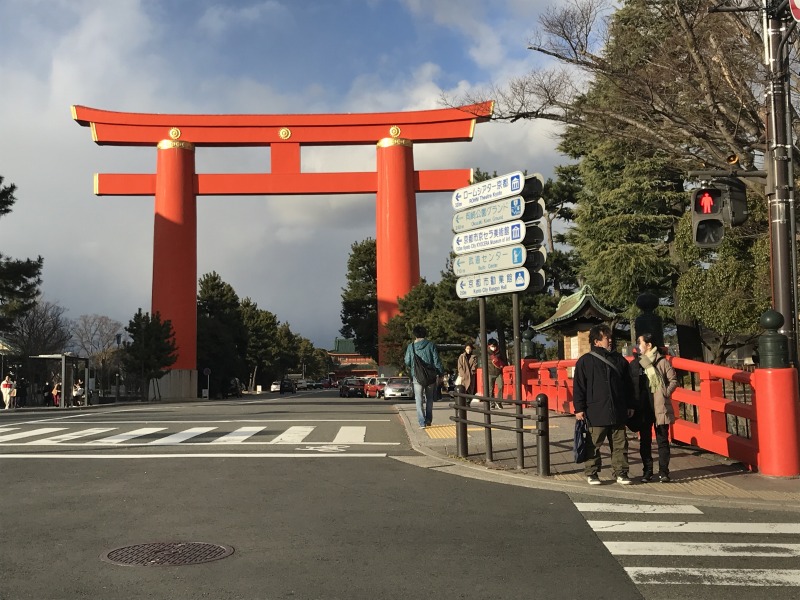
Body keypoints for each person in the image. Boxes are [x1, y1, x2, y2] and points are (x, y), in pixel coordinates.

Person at [573, 324, 636, 485]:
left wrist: (630, 405)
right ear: (597, 342)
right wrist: (579, 408)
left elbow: (628, 385)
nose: (610, 340)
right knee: (593, 444)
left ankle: (621, 472)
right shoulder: (585, 361)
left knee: (620, 443)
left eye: (610, 337)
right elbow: (579, 386)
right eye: (607, 338)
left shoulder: (620, 360)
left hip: (618, 408)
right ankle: (592, 472)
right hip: (596, 409)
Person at [630, 333, 678, 483]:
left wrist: (665, 392)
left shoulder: (662, 362)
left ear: (649, 345)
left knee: (662, 441)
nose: (638, 346)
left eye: (640, 343)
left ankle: (663, 472)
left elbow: (673, 380)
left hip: (659, 406)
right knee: (645, 441)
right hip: (644, 407)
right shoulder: (637, 363)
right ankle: (647, 471)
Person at [404, 325, 443, 428]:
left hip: (417, 376)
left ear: (415, 334)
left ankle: (422, 422)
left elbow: (407, 361)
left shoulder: (411, 346)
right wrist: (440, 373)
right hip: (430, 376)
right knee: (429, 399)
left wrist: (413, 367)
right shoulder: (431, 345)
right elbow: (437, 361)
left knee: (419, 399)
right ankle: (429, 420)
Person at [486, 339, 507, 409]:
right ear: (489, 346)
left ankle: (499, 402)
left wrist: (501, 364)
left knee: (501, 386)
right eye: (492, 346)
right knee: (490, 389)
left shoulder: (499, 352)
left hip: (498, 372)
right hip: (490, 373)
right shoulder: (486, 353)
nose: (494, 348)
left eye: (495, 346)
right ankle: (492, 402)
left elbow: (504, 361)